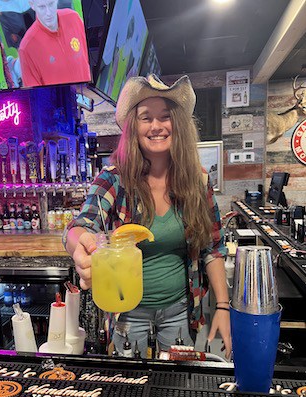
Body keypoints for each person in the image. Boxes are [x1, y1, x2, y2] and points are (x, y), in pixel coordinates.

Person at [64, 74, 231, 359]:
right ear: (133, 127)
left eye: (165, 117)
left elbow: (212, 248)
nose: (156, 126)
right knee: (131, 394)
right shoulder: (114, 180)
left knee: (177, 387)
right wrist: (81, 246)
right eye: (145, 117)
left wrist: (223, 307)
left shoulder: (198, 181)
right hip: (128, 313)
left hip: (180, 309)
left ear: (177, 124)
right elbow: (80, 226)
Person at [18, 0, 90, 87]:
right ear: (32, 5)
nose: (48, 13)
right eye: (42, 7)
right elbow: (34, 94)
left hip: (89, 96)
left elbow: (87, 59)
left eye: (51, 4)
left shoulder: (73, 18)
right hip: (60, 100)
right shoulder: (27, 48)